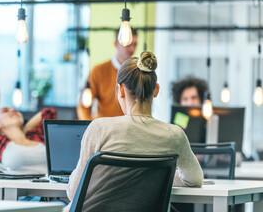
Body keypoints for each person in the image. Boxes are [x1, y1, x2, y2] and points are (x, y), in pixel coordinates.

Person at [65, 52, 203, 211]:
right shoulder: (174, 135)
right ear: (156, 90)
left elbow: (74, 192)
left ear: (121, 90)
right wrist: (158, 177)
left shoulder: (99, 128)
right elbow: (194, 179)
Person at [77, 28, 138, 120]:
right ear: (116, 44)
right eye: (128, 44)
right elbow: (83, 105)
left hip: (129, 130)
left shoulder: (138, 73)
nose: (132, 49)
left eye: (135, 44)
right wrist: (89, 128)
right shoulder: (99, 71)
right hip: (103, 129)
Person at [0, 107, 47, 174]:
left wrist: (26, 128)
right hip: (15, 184)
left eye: (16, 110)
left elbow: (48, 112)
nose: (13, 110)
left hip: (50, 183)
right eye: (5, 111)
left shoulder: (36, 136)